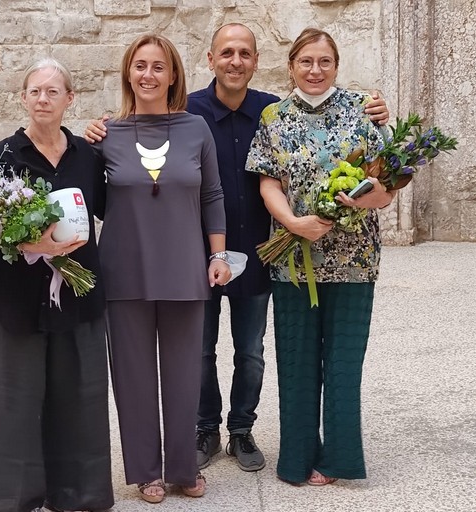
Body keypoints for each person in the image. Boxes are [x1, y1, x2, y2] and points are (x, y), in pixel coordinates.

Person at [85, 23, 390, 473]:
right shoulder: (185, 113)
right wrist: (99, 130)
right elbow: (138, 139)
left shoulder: (272, 111)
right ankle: (204, 428)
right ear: (210, 60)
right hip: (196, 255)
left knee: (251, 351)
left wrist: (378, 112)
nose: (235, 60)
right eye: (226, 52)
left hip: (261, 249)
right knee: (200, 349)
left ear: (256, 61)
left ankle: (241, 430)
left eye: (244, 53)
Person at [0, 58, 114, 512]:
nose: (43, 99)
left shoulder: (87, 157)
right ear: (24, 99)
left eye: (53, 91)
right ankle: (6, 497)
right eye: (35, 91)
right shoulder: (4, 156)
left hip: (78, 298)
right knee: (13, 402)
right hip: (16, 302)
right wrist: (25, 238)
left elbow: (111, 209)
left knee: (79, 397)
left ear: (70, 99)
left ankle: (78, 493)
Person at [246, 28, 394, 487]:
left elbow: (387, 186)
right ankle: (296, 457)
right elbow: (267, 180)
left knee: (345, 363)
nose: (315, 70)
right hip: (293, 260)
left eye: (324, 61)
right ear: (291, 65)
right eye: (306, 61)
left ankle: (339, 459)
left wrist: (367, 201)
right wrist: (293, 223)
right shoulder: (275, 116)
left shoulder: (362, 111)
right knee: (296, 361)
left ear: (336, 65)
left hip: (353, 261)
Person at [91, 33, 231, 504]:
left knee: (183, 373)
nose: (148, 74)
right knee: (132, 377)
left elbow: (212, 196)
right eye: (139, 65)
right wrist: (85, 142)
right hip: (123, 272)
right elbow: (87, 196)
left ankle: (182, 469)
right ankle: (146, 471)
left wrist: (218, 255)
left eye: (158, 67)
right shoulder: (106, 134)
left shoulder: (196, 128)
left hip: (184, 269)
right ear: (128, 72)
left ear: (173, 76)